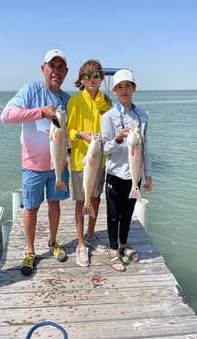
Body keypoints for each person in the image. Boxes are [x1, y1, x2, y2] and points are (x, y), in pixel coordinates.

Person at [0, 49, 70, 276]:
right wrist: (40, 112)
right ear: (43, 69)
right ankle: (29, 251)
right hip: (33, 165)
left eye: (61, 67)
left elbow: (70, 131)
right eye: (52, 66)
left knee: (55, 203)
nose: (56, 72)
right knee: (30, 208)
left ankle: (53, 241)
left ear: (66, 72)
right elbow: (6, 115)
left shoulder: (67, 100)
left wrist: (68, 152)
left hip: (58, 165)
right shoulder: (31, 90)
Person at [101, 69, 153, 272]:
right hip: (115, 173)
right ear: (114, 91)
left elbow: (145, 147)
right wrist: (118, 138)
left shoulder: (142, 115)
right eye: (120, 87)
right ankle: (113, 249)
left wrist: (148, 175)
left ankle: (123, 244)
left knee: (128, 213)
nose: (124, 91)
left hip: (135, 174)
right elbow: (105, 148)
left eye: (128, 86)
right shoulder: (108, 117)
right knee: (113, 214)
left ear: (134, 88)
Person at [67, 59, 111, 267]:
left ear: (101, 78)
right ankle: (81, 244)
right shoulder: (75, 101)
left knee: (96, 199)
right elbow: (68, 130)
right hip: (79, 161)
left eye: (95, 76)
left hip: (100, 160)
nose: (91, 79)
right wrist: (79, 134)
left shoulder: (106, 102)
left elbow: (111, 129)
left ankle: (91, 236)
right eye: (87, 76)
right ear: (81, 80)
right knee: (80, 202)